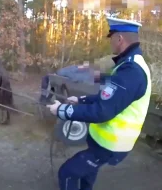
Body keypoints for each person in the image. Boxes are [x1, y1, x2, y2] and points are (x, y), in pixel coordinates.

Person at [46, 16, 151, 190]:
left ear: (119, 39)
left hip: (111, 145)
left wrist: (61, 110)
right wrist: (80, 100)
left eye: (111, 38)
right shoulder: (127, 65)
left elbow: (103, 111)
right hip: (102, 139)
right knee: (88, 172)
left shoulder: (132, 71)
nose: (110, 43)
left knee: (67, 172)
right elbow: (107, 96)